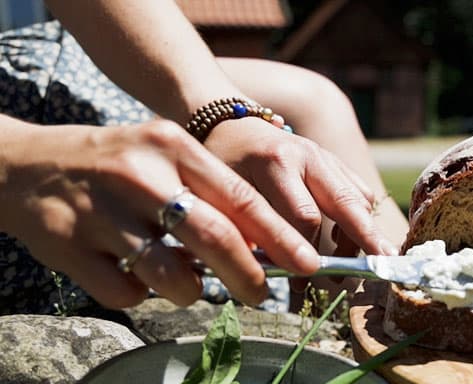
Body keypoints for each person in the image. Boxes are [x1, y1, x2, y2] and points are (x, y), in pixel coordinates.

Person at [0, 0, 409, 315]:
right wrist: (20, 163)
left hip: (55, 70)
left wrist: (220, 115)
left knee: (314, 103)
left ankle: (412, 294)